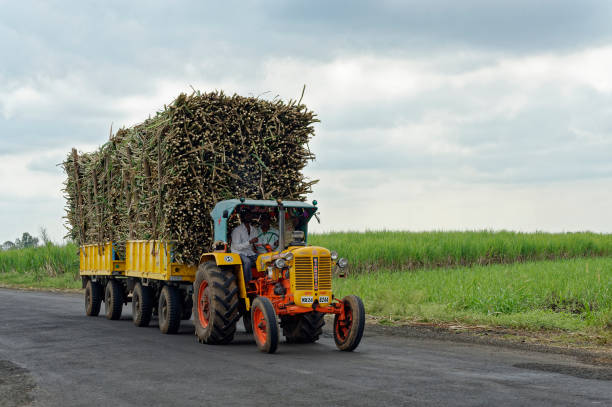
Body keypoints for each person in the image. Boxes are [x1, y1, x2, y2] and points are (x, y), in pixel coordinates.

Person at [230, 209, 261, 284]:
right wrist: (250, 242)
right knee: (247, 262)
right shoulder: (237, 230)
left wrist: (257, 245)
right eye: (247, 215)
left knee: (263, 258)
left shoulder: (254, 229)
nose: (249, 217)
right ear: (242, 217)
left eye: (250, 215)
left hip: (249, 252)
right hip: (238, 253)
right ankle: (246, 282)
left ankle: (262, 280)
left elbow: (255, 244)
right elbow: (236, 247)